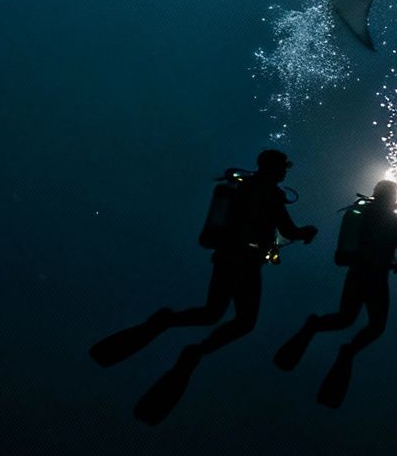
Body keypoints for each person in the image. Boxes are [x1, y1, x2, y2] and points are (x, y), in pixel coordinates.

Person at [88, 148, 318, 425]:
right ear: (273, 168)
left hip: (226, 257)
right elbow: (289, 231)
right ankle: (196, 350)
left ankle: (165, 322)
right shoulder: (269, 195)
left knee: (211, 312)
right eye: (283, 167)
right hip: (245, 262)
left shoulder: (243, 188)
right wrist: (307, 232)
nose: (285, 172)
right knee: (244, 321)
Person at [273, 179, 397, 407]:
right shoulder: (393, 221)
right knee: (376, 326)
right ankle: (348, 351)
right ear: (392, 196)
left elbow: (349, 248)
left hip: (356, 274)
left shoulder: (361, 214)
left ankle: (314, 326)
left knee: (345, 318)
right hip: (376, 279)